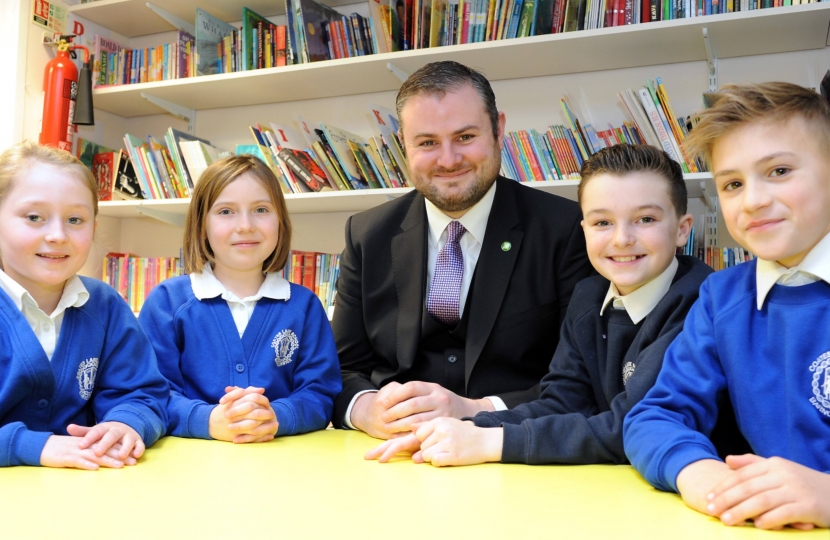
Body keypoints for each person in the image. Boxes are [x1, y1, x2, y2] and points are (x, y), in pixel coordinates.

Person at [366, 144, 713, 465]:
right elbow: (561, 402)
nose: (622, 239)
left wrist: (492, 443)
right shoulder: (589, 298)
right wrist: (456, 427)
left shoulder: (701, 303)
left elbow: (635, 426)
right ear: (584, 229)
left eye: (646, 219)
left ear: (682, 230)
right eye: (602, 222)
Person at [332, 61, 593, 438]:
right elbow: (341, 368)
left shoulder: (566, 229)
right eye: (427, 143)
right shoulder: (366, 234)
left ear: (498, 129)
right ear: (402, 144)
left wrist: (477, 410)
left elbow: (581, 378)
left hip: (515, 450)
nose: (449, 160)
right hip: (394, 457)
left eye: (465, 137)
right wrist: (365, 408)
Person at [623, 82, 830, 530]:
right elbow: (654, 415)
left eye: (778, 171)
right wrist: (704, 477)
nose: (753, 200)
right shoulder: (722, 298)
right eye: (732, 184)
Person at [139, 155, 341, 443]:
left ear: (280, 221)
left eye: (260, 209)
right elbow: (150, 393)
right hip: (188, 468)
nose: (245, 226)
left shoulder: (305, 307)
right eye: (225, 212)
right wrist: (209, 421)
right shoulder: (167, 303)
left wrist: (275, 417)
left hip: (284, 465)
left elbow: (321, 394)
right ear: (201, 225)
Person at [0, 141, 168, 469]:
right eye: (34, 217)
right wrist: (33, 445)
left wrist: (125, 424)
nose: (57, 235)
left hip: (85, 494)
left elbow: (141, 394)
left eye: (75, 219)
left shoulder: (105, 306)